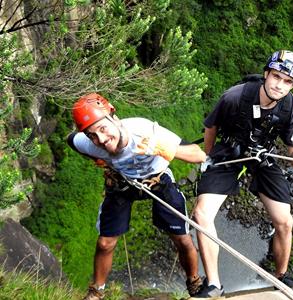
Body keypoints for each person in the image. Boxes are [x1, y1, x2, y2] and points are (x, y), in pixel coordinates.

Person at [192, 50, 293, 297]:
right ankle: (214, 284)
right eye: (277, 77)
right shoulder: (235, 96)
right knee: (201, 214)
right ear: (266, 74)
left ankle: (281, 276)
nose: (280, 85)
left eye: (288, 81)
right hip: (230, 151)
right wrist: (208, 157)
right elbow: (210, 126)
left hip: (263, 155)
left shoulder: (292, 108)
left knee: (285, 221)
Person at [67, 93, 206, 300]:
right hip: (123, 183)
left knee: (182, 239)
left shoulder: (145, 130)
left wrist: (162, 148)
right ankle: (97, 291)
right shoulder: (90, 144)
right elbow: (71, 140)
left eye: (103, 129)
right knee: (105, 243)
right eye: (92, 135)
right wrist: (96, 158)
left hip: (158, 181)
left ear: (114, 117)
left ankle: (193, 281)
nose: (101, 140)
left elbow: (198, 154)